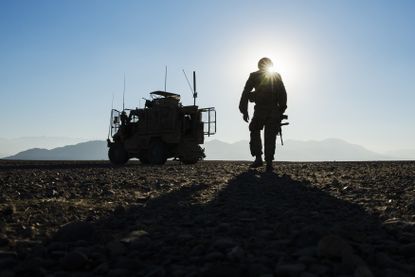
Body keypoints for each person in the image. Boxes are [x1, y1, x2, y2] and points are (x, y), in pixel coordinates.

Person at [239, 57, 287, 172]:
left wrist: (244, 110)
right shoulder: (272, 76)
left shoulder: (256, 76)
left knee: (262, 132)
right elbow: (283, 94)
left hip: (264, 110)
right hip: (268, 110)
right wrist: (281, 109)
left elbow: (245, 93)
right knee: (265, 134)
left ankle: (262, 159)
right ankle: (266, 161)